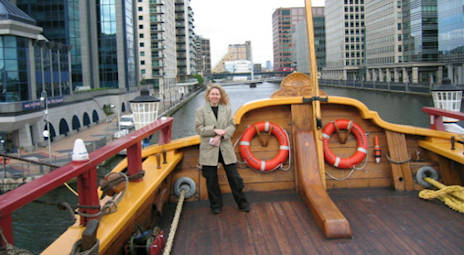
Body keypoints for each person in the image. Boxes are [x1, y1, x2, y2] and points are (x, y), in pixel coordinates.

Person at [195, 84, 250, 214]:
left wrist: (220, 135)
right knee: (211, 180)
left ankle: (242, 203)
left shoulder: (226, 109)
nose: (215, 96)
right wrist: (214, 130)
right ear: (208, 96)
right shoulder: (201, 111)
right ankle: (216, 206)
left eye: (217, 94)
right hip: (209, 149)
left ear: (220, 96)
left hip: (225, 147)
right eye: (212, 94)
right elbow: (198, 128)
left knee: (234, 177)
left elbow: (231, 126)